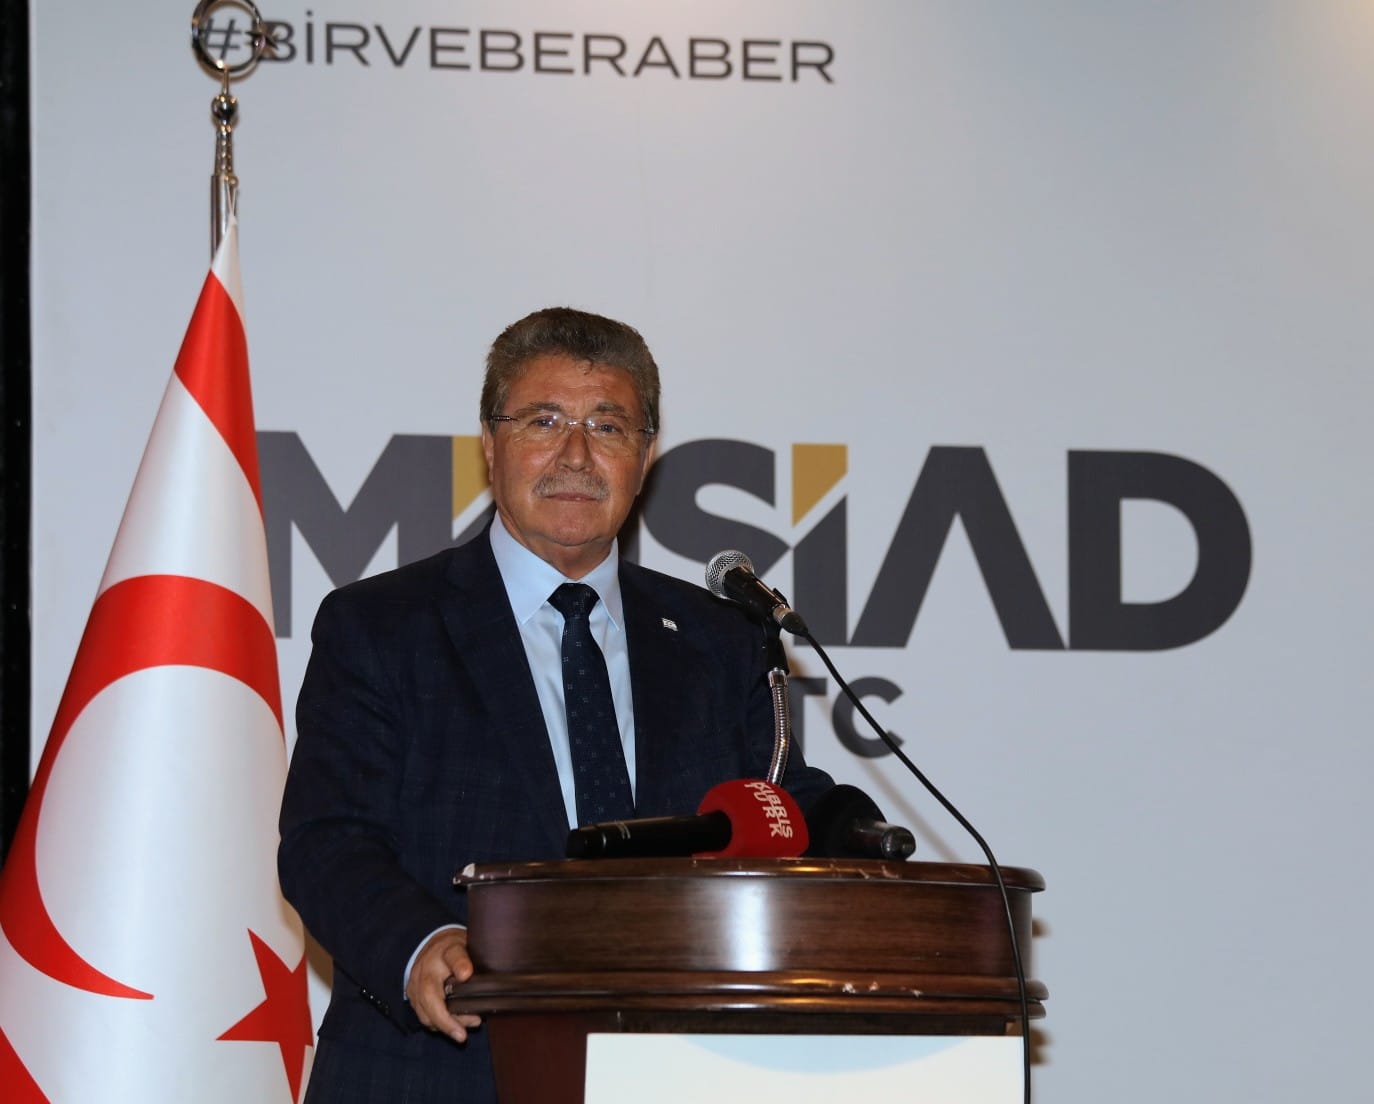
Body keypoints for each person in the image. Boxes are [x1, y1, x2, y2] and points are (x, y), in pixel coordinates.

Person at [278, 307, 837, 1103]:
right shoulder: (382, 626)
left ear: (645, 455)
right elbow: (326, 840)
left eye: (608, 426)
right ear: (490, 441)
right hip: (440, 1070)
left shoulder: (719, 638)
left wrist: (859, 839)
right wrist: (422, 945)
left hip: (678, 1071)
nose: (575, 455)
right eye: (544, 420)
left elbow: (781, 808)